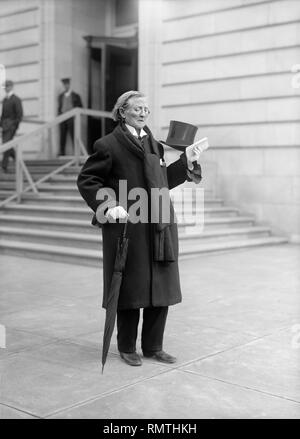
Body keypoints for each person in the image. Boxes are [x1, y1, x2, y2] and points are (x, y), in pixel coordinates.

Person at [77, 91, 203, 367]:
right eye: (137, 109)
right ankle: (126, 347)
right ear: (122, 112)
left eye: (146, 108)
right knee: (130, 288)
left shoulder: (154, 144)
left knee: (161, 286)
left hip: (159, 223)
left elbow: (164, 180)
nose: (144, 113)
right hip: (128, 227)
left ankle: (153, 346)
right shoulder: (108, 144)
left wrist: (187, 162)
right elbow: (88, 179)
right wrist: (109, 204)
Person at [0, 80, 23, 172]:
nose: (6, 88)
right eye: (5, 86)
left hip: (11, 126)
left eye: (8, 86)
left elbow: (19, 115)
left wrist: (14, 125)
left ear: (12, 87)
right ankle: (18, 160)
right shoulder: (5, 100)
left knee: (6, 144)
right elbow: (2, 114)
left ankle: (3, 166)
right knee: (8, 145)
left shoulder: (16, 99)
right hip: (5, 126)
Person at [57, 78, 83, 156]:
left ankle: (76, 152)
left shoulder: (75, 95)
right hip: (63, 117)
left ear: (69, 84)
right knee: (62, 136)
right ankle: (62, 152)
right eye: (64, 84)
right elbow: (59, 107)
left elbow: (80, 106)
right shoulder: (60, 96)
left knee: (74, 135)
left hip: (71, 117)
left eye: (67, 84)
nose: (66, 86)